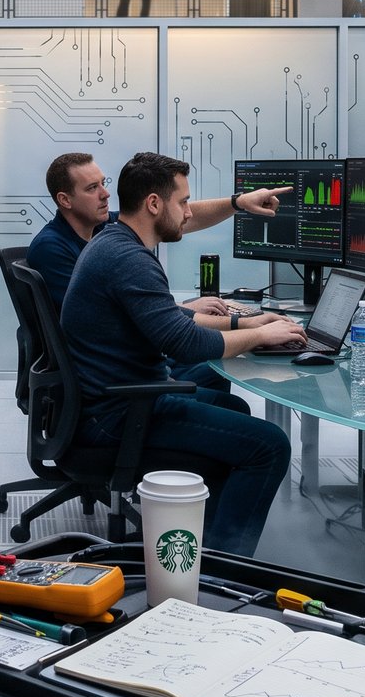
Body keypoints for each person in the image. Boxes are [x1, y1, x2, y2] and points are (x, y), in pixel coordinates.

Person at [60, 152, 305, 556]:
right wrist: (260, 336)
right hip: (118, 415)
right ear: (154, 204)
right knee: (271, 445)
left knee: (234, 411)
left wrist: (247, 324)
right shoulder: (129, 259)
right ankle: (227, 572)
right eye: (183, 202)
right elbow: (185, 343)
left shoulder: (116, 239)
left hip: (116, 400)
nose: (189, 213)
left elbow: (167, 321)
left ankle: (204, 551)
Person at [29, 152, 295, 392]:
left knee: (216, 377)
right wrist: (252, 332)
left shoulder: (105, 230)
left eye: (103, 183)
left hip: (126, 363)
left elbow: (179, 216)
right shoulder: (53, 248)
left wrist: (238, 203)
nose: (105, 194)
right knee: (261, 436)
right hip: (111, 377)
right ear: (64, 200)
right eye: (92, 187)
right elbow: (108, 316)